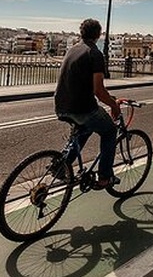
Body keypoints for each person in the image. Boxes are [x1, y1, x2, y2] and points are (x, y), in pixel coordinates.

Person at [54, 19, 125, 190]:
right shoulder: (95, 53)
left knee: (85, 127)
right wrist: (114, 105)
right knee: (109, 131)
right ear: (99, 34)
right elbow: (98, 91)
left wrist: (109, 98)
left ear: (81, 33)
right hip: (82, 108)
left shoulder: (72, 49)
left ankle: (61, 167)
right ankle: (105, 177)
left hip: (61, 105)